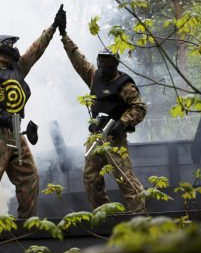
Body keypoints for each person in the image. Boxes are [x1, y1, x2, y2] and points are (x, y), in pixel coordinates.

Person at [0, 5, 66, 220]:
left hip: (15, 131)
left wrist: (52, 27)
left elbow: (35, 50)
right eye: (12, 45)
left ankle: (26, 223)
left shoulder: (17, 69)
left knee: (29, 176)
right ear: (3, 48)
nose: (16, 48)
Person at [57, 11, 147, 212]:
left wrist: (122, 122)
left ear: (115, 63)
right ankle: (104, 214)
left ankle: (140, 215)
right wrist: (64, 35)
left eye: (108, 62)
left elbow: (139, 108)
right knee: (90, 178)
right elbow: (77, 58)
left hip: (114, 137)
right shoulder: (94, 76)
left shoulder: (124, 84)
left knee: (124, 178)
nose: (104, 66)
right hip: (96, 135)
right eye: (102, 61)